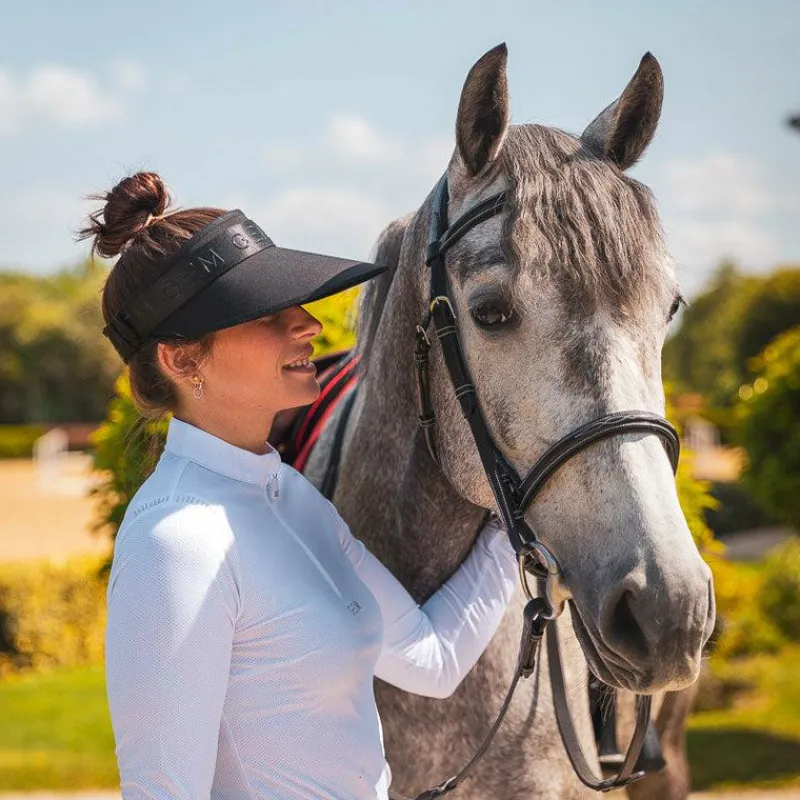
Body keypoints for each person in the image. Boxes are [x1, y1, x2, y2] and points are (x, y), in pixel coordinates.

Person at [84, 171, 519, 800]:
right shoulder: (175, 543)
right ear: (180, 358)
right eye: (267, 313)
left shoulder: (292, 499)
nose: (310, 324)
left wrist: (518, 519)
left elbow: (432, 659)